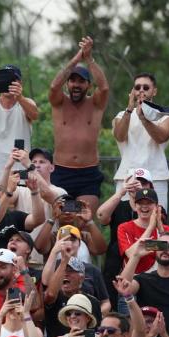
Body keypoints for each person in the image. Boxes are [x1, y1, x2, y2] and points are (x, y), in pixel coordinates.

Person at [47, 36, 109, 213]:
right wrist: (76, 59)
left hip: (87, 175)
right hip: (61, 173)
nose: (76, 85)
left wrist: (88, 58)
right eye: (73, 80)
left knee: (82, 219)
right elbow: (53, 87)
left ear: (89, 85)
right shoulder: (59, 102)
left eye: (81, 81)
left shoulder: (95, 104)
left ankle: (85, 239)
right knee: (63, 219)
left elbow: (104, 88)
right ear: (67, 83)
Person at [112, 73, 169, 207]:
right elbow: (119, 136)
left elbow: (161, 137)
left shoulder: (165, 115)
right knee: (123, 220)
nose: (141, 90)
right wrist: (129, 109)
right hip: (127, 176)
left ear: (154, 91)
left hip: (156, 177)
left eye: (146, 87)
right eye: (137, 87)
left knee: (159, 219)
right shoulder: (121, 115)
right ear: (132, 91)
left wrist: (144, 119)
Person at [115, 178, 169, 274]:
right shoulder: (124, 227)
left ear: (157, 207)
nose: (144, 206)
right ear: (135, 206)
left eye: (149, 203)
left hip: (158, 278)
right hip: (133, 278)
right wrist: (150, 228)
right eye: (140, 203)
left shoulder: (166, 229)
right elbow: (130, 254)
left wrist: (160, 228)